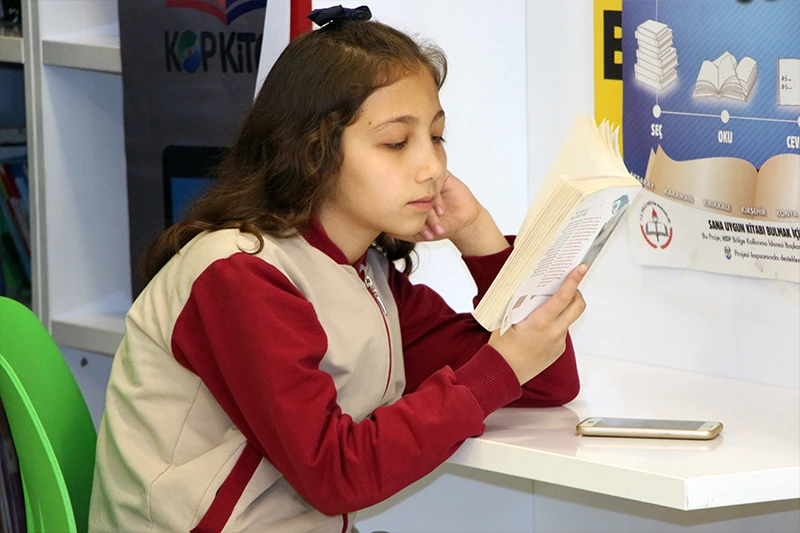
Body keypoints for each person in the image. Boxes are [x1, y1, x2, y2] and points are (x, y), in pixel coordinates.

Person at [89, 6, 587, 533]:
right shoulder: (238, 274)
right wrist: (500, 367)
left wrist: (477, 235)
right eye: (397, 142)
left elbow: (543, 380)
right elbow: (334, 474)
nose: (433, 167)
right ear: (313, 151)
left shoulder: (367, 275)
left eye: (437, 137)